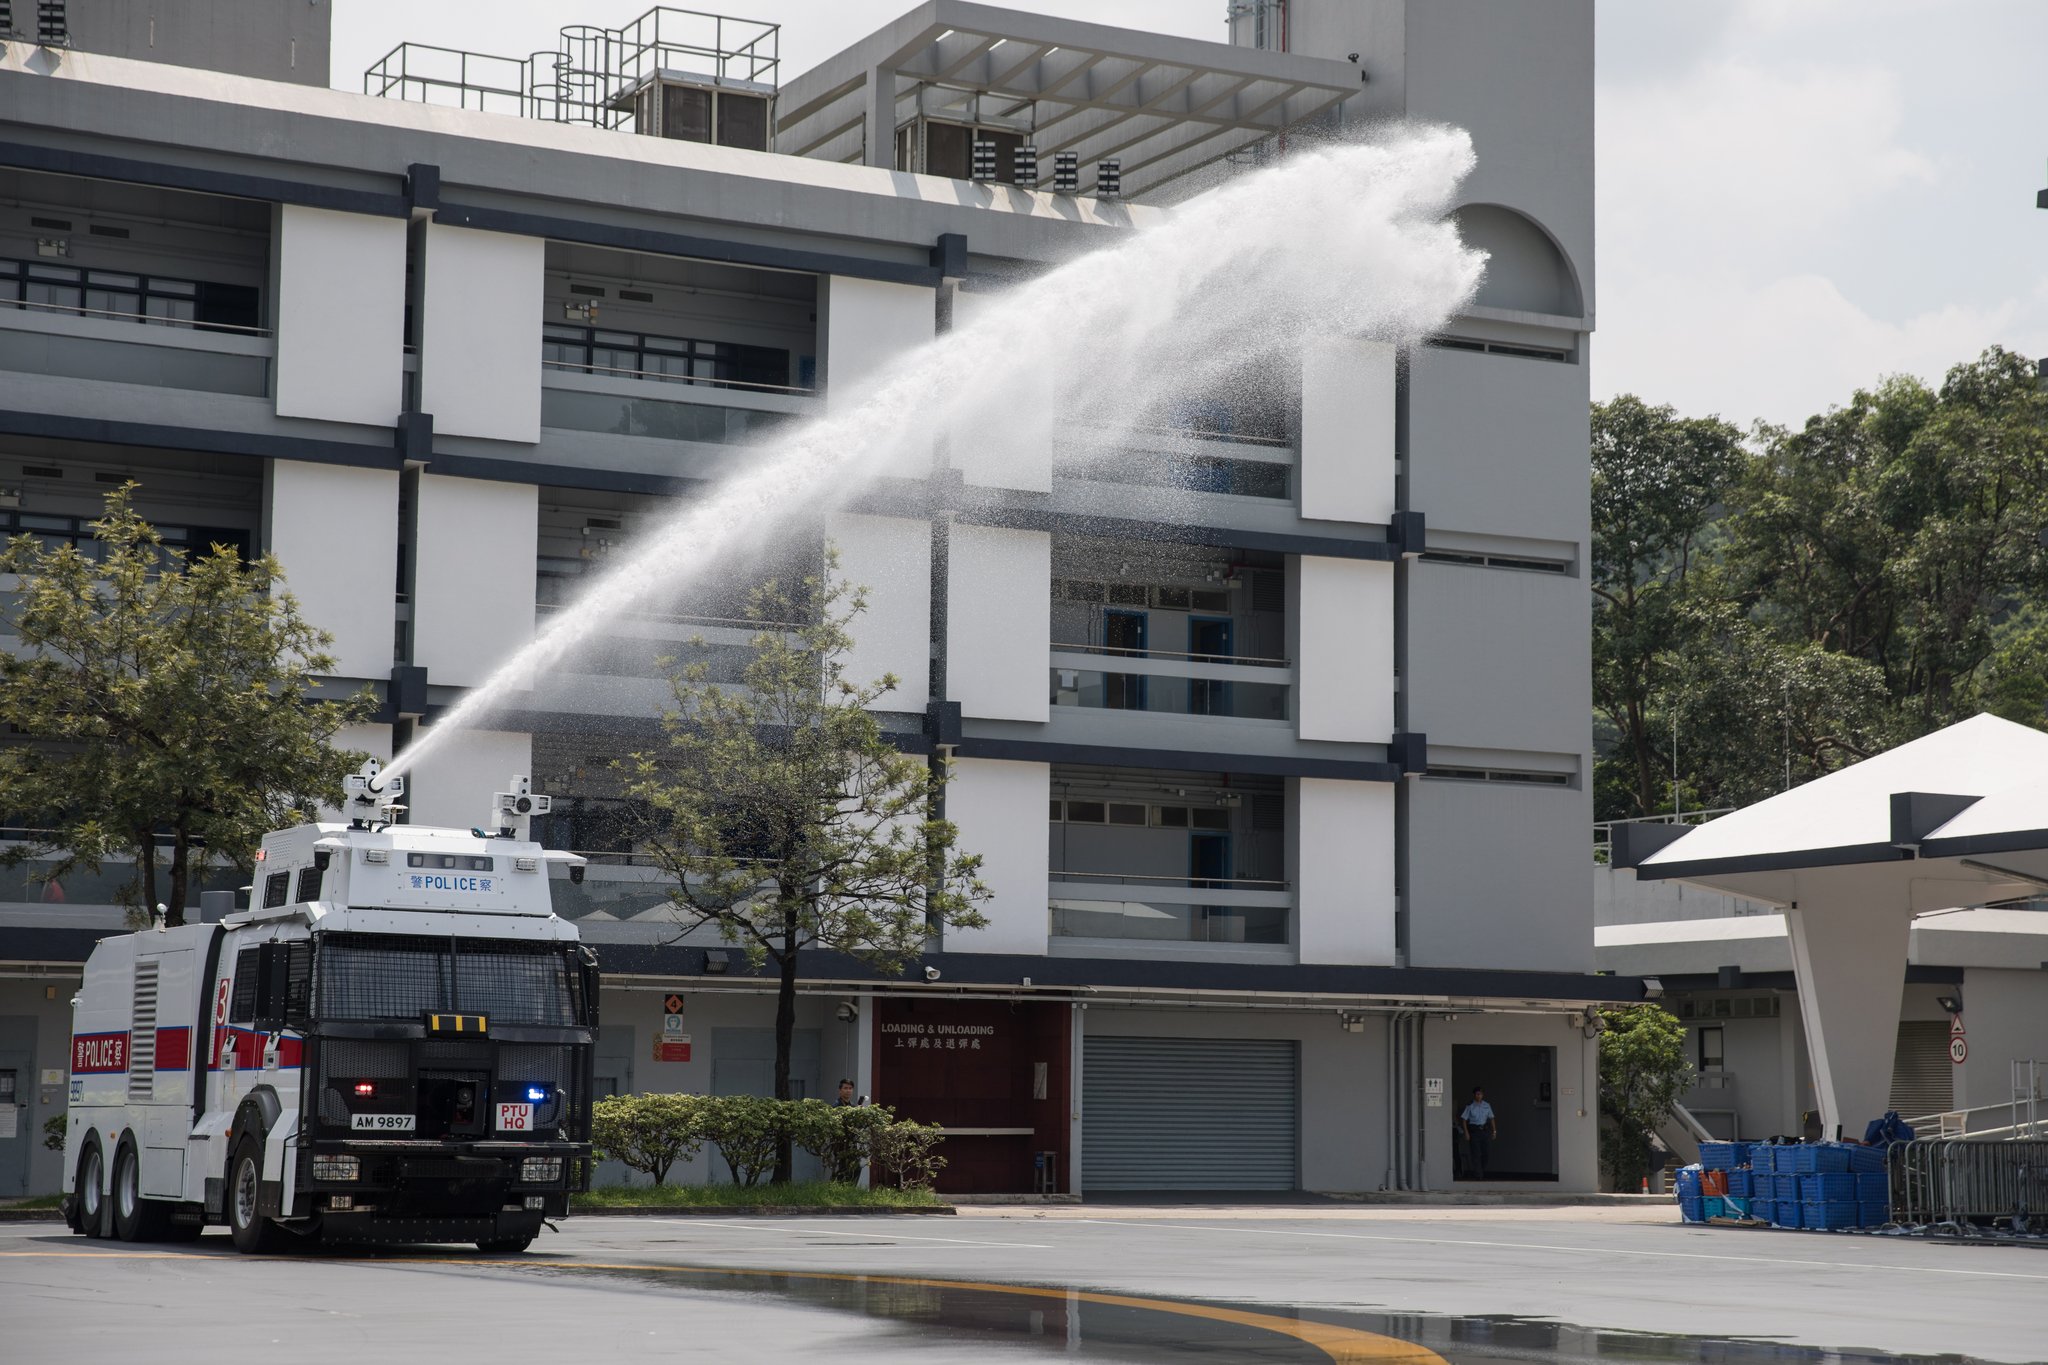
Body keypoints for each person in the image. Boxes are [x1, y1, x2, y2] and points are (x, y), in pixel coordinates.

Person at [1459, 1087, 1498, 1179]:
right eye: (1477, 1094)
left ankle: (1481, 1171)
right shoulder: (1470, 1106)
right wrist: (1466, 1133)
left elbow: (1491, 1118)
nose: (1479, 1096)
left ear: (1482, 1095)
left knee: (1486, 1153)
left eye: (1480, 1094)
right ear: (1474, 1095)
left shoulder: (1487, 1105)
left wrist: (1494, 1131)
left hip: (1484, 1131)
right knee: (1476, 1154)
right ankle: (1479, 1176)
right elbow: (1464, 1119)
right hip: (1474, 1131)